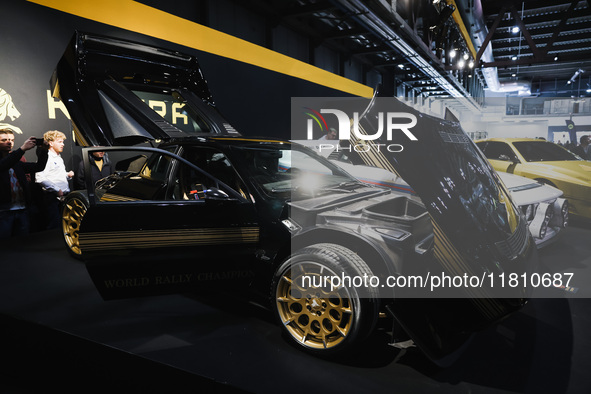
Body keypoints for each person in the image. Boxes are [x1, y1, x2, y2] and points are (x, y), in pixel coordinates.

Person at [0, 128, 48, 238]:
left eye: (11, 140)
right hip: (3, 212)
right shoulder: (12, 159)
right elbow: (3, 164)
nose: (9, 142)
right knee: (4, 247)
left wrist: (43, 151)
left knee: (23, 244)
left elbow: (38, 167)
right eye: (4, 140)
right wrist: (22, 149)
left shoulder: (16, 162)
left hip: (22, 209)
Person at [35, 130, 74, 229]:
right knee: (55, 227)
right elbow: (39, 177)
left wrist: (67, 175)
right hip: (52, 198)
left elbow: (55, 175)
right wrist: (56, 189)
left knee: (64, 226)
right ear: (51, 143)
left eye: (63, 142)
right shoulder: (45, 157)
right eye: (60, 142)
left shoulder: (59, 158)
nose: (63, 144)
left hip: (63, 197)